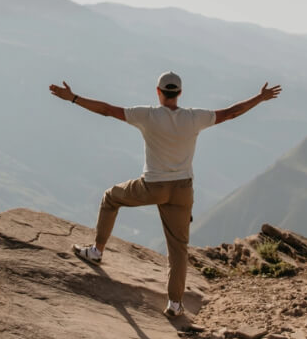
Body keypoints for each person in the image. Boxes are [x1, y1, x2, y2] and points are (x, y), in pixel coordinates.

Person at [48, 71, 282, 316]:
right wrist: (259, 98)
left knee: (110, 198)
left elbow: (107, 109)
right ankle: (175, 304)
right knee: (178, 249)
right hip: (183, 190)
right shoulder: (194, 118)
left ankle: (96, 251)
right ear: (179, 93)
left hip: (153, 187)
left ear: (158, 92)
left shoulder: (147, 115)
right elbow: (231, 112)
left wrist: (73, 98)